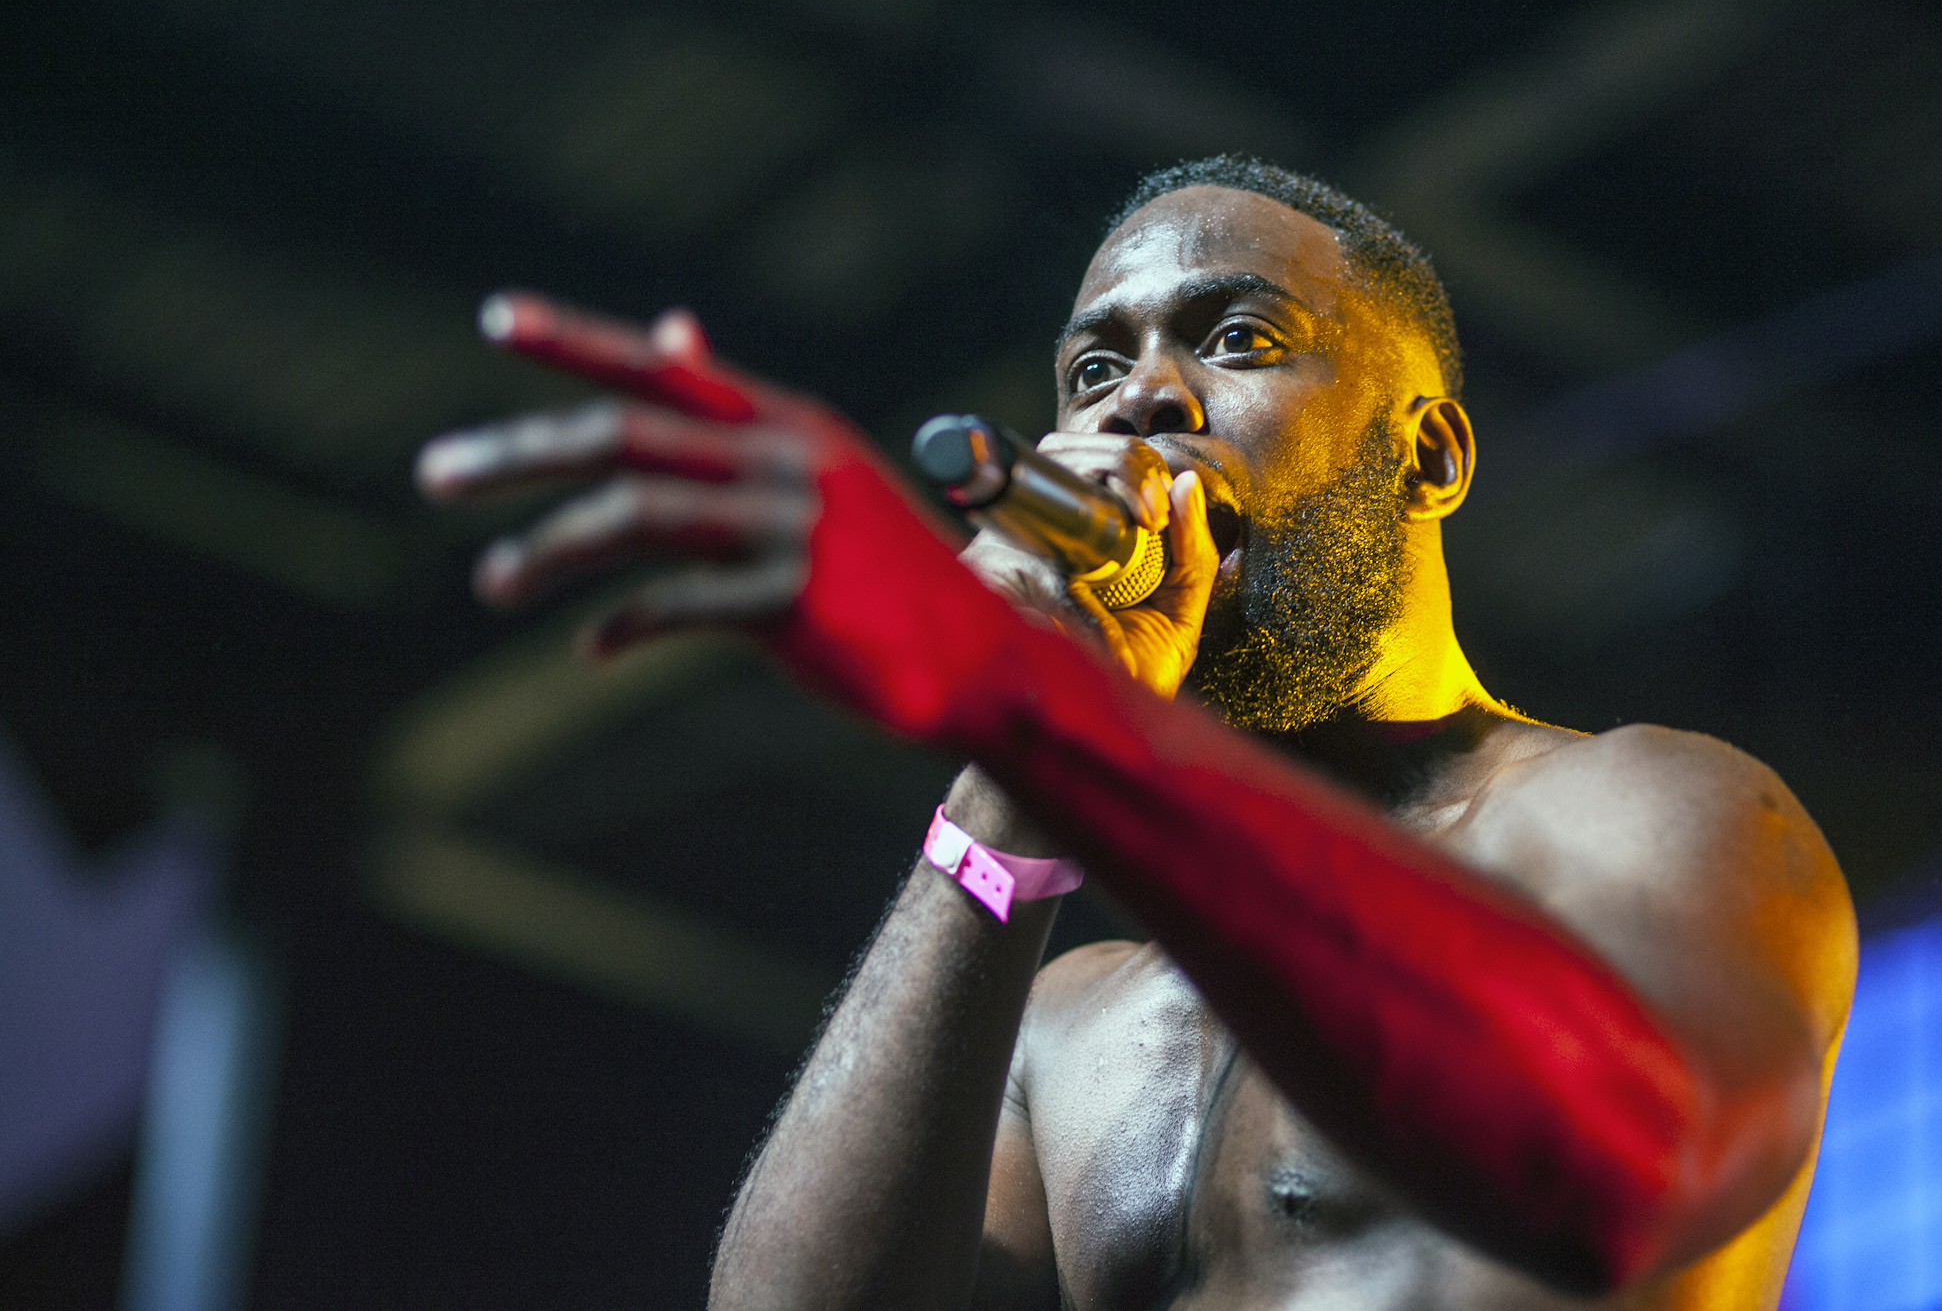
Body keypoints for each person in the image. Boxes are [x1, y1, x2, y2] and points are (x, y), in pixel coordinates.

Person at [418, 155, 1857, 1310]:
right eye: (1093, 374)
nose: (1147, 399)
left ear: (1428, 453)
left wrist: (1062, 723)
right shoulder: (1071, 1018)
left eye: (1238, 338)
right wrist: (1013, 768)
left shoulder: (1649, 807)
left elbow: (1619, 1173)